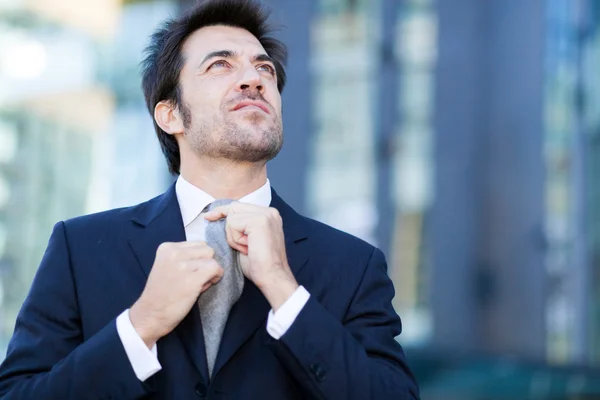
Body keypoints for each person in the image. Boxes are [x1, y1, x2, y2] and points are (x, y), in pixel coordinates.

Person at [0, 0, 419, 398]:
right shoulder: (81, 250)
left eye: (265, 70)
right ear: (170, 115)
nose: (254, 79)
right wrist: (140, 324)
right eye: (220, 64)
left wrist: (284, 290)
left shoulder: (354, 266)